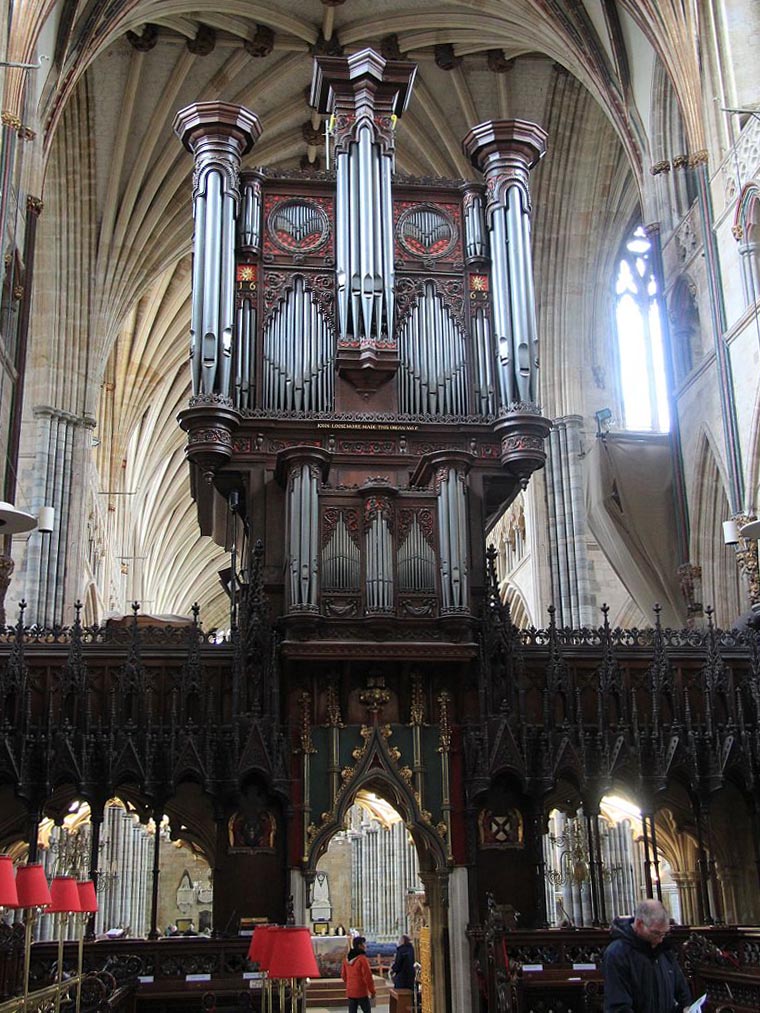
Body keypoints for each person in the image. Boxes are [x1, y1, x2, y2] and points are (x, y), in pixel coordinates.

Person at [603, 899, 692, 1013]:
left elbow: (682, 991)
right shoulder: (617, 954)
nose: (660, 939)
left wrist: (687, 1008)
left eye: (664, 933)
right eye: (656, 933)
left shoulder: (664, 950)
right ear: (639, 924)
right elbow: (618, 1006)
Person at [341, 935, 375, 1012]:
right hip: (361, 990)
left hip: (351, 990)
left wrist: (350, 983)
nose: (365, 946)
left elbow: (343, 976)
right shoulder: (362, 959)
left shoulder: (346, 959)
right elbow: (368, 976)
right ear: (360, 946)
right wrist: (372, 991)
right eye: (364, 944)